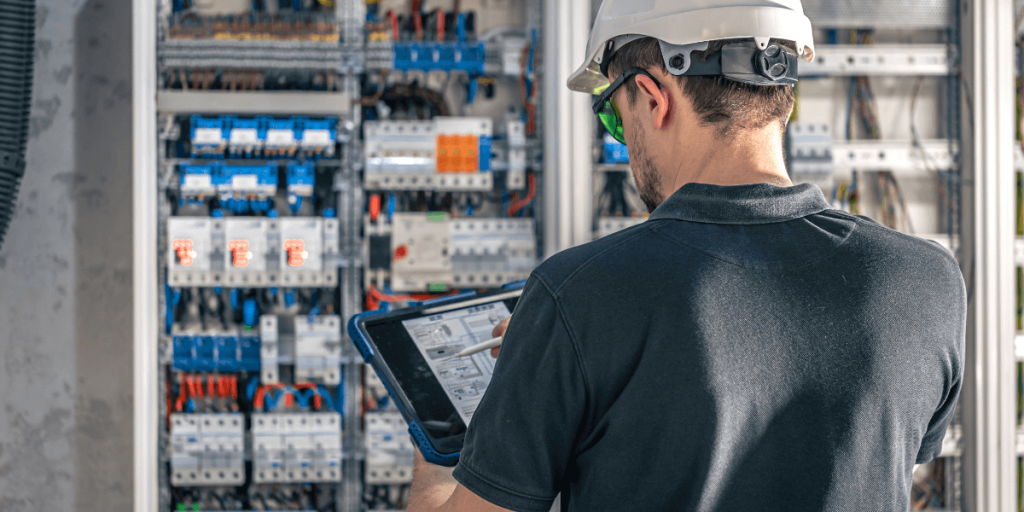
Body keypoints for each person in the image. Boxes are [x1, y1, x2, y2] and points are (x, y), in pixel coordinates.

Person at [407, 0, 965, 510]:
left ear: (652, 98)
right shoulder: (926, 281)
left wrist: (441, 448)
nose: (622, 137)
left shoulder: (577, 296)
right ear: (782, 93)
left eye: (612, 117)